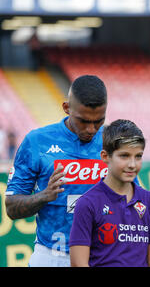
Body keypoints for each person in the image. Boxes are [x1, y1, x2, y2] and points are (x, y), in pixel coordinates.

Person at [5, 75, 108, 267]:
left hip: (101, 255)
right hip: (53, 256)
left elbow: (131, 200)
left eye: (99, 121)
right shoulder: (36, 141)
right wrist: (44, 196)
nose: (91, 129)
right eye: (84, 121)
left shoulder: (112, 141)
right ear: (67, 108)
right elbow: (11, 208)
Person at [69, 119, 150, 267]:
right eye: (124, 156)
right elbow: (78, 263)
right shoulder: (87, 203)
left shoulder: (149, 199)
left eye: (138, 156)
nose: (132, 164)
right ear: (105, 156)